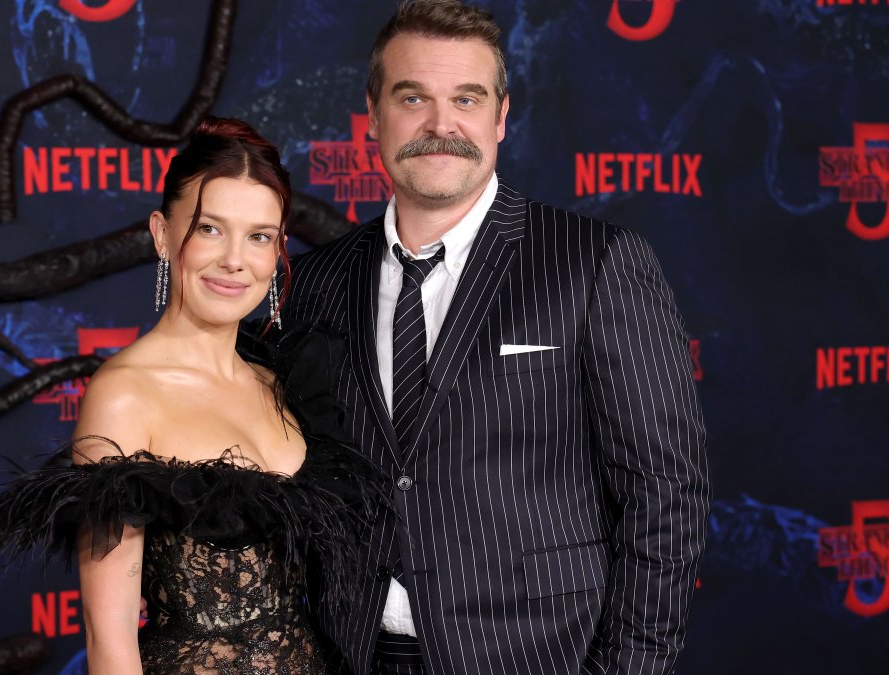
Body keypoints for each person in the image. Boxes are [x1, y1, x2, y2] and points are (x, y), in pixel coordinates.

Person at [284, 2, 711, 674]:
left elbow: (666, 491)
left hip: (535, 655)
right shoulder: (315, 283)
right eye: (413, 97)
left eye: (466, 98)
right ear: (372, 114)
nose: (440, 124)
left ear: (501, 116)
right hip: (354, 654)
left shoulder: (594, 264)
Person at [0, 117, 380, 674]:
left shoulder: (281, 383)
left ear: (279, 250)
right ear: (163, 234)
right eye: (210, 228)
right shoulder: (124, 395)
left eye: (259, 236)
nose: (235, 259)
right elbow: (108, 636)